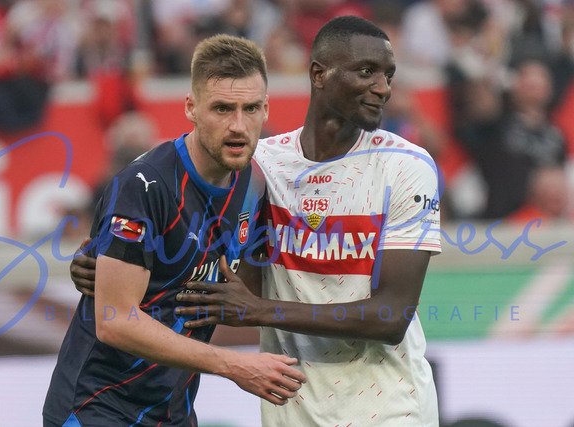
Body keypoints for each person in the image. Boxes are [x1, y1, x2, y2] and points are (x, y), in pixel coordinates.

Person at [72, 16, 442, 426]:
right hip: (290, 406)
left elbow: (391, 316)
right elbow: (209, 260)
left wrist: (261, 310)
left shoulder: (406, 166)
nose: (383, 88)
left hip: (389, 408)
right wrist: (108, 262)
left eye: (389, 75)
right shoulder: (260, 165)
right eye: (367, 72)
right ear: (318, 74)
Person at [43, 34, 306, 427]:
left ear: (266, 109)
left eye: (250, 108)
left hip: (172, 412)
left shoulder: (254, 186)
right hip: (96, 408)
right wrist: (234, 365)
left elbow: (238, 291)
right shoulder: (145, 186)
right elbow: (114, 320)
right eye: (222, 108)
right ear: (191, 108)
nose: (238, 125)